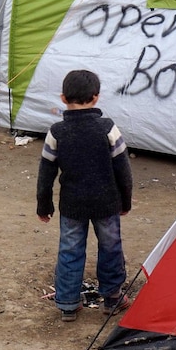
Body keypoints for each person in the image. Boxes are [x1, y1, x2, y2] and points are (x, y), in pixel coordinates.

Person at [36, 70, 133, 322]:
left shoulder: (57, 132)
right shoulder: (107, 128)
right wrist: (126, 201)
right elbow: (123, 169)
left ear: (62, 97)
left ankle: (68, 303)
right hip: (107, 202)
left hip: (72, 204)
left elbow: (46, 172)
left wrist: (43, 205)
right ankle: (112, 298)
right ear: (96, 97)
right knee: (111, 248)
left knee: (70, 250)